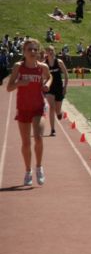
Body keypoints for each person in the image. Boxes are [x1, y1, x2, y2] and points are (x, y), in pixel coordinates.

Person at [6, 38, 52, 186]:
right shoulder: (18, 67)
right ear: (24, 52)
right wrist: (19, 83)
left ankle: (39, 167)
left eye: (35, 49)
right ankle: (28, 171)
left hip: (38, 107)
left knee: (38, 138)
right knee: (26, 143)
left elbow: (49, 77)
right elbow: (9, 87)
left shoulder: (43, 67)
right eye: (29, 49)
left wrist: (47, 84)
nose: (32, 52)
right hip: (23, 108)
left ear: (38, 52)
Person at [43, 45, 69, 136]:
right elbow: (42, 76)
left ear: (54, 52)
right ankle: (52, 129)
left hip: (58, 87)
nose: (50, 52)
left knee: (57, 110)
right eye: (48, 50)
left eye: (52, 50)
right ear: (46, 52)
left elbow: (66, 75)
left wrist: (65, 87)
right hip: (49, 87)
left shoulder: (59, 62)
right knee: (52, 107)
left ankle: (59, 113)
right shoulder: (44, 64)